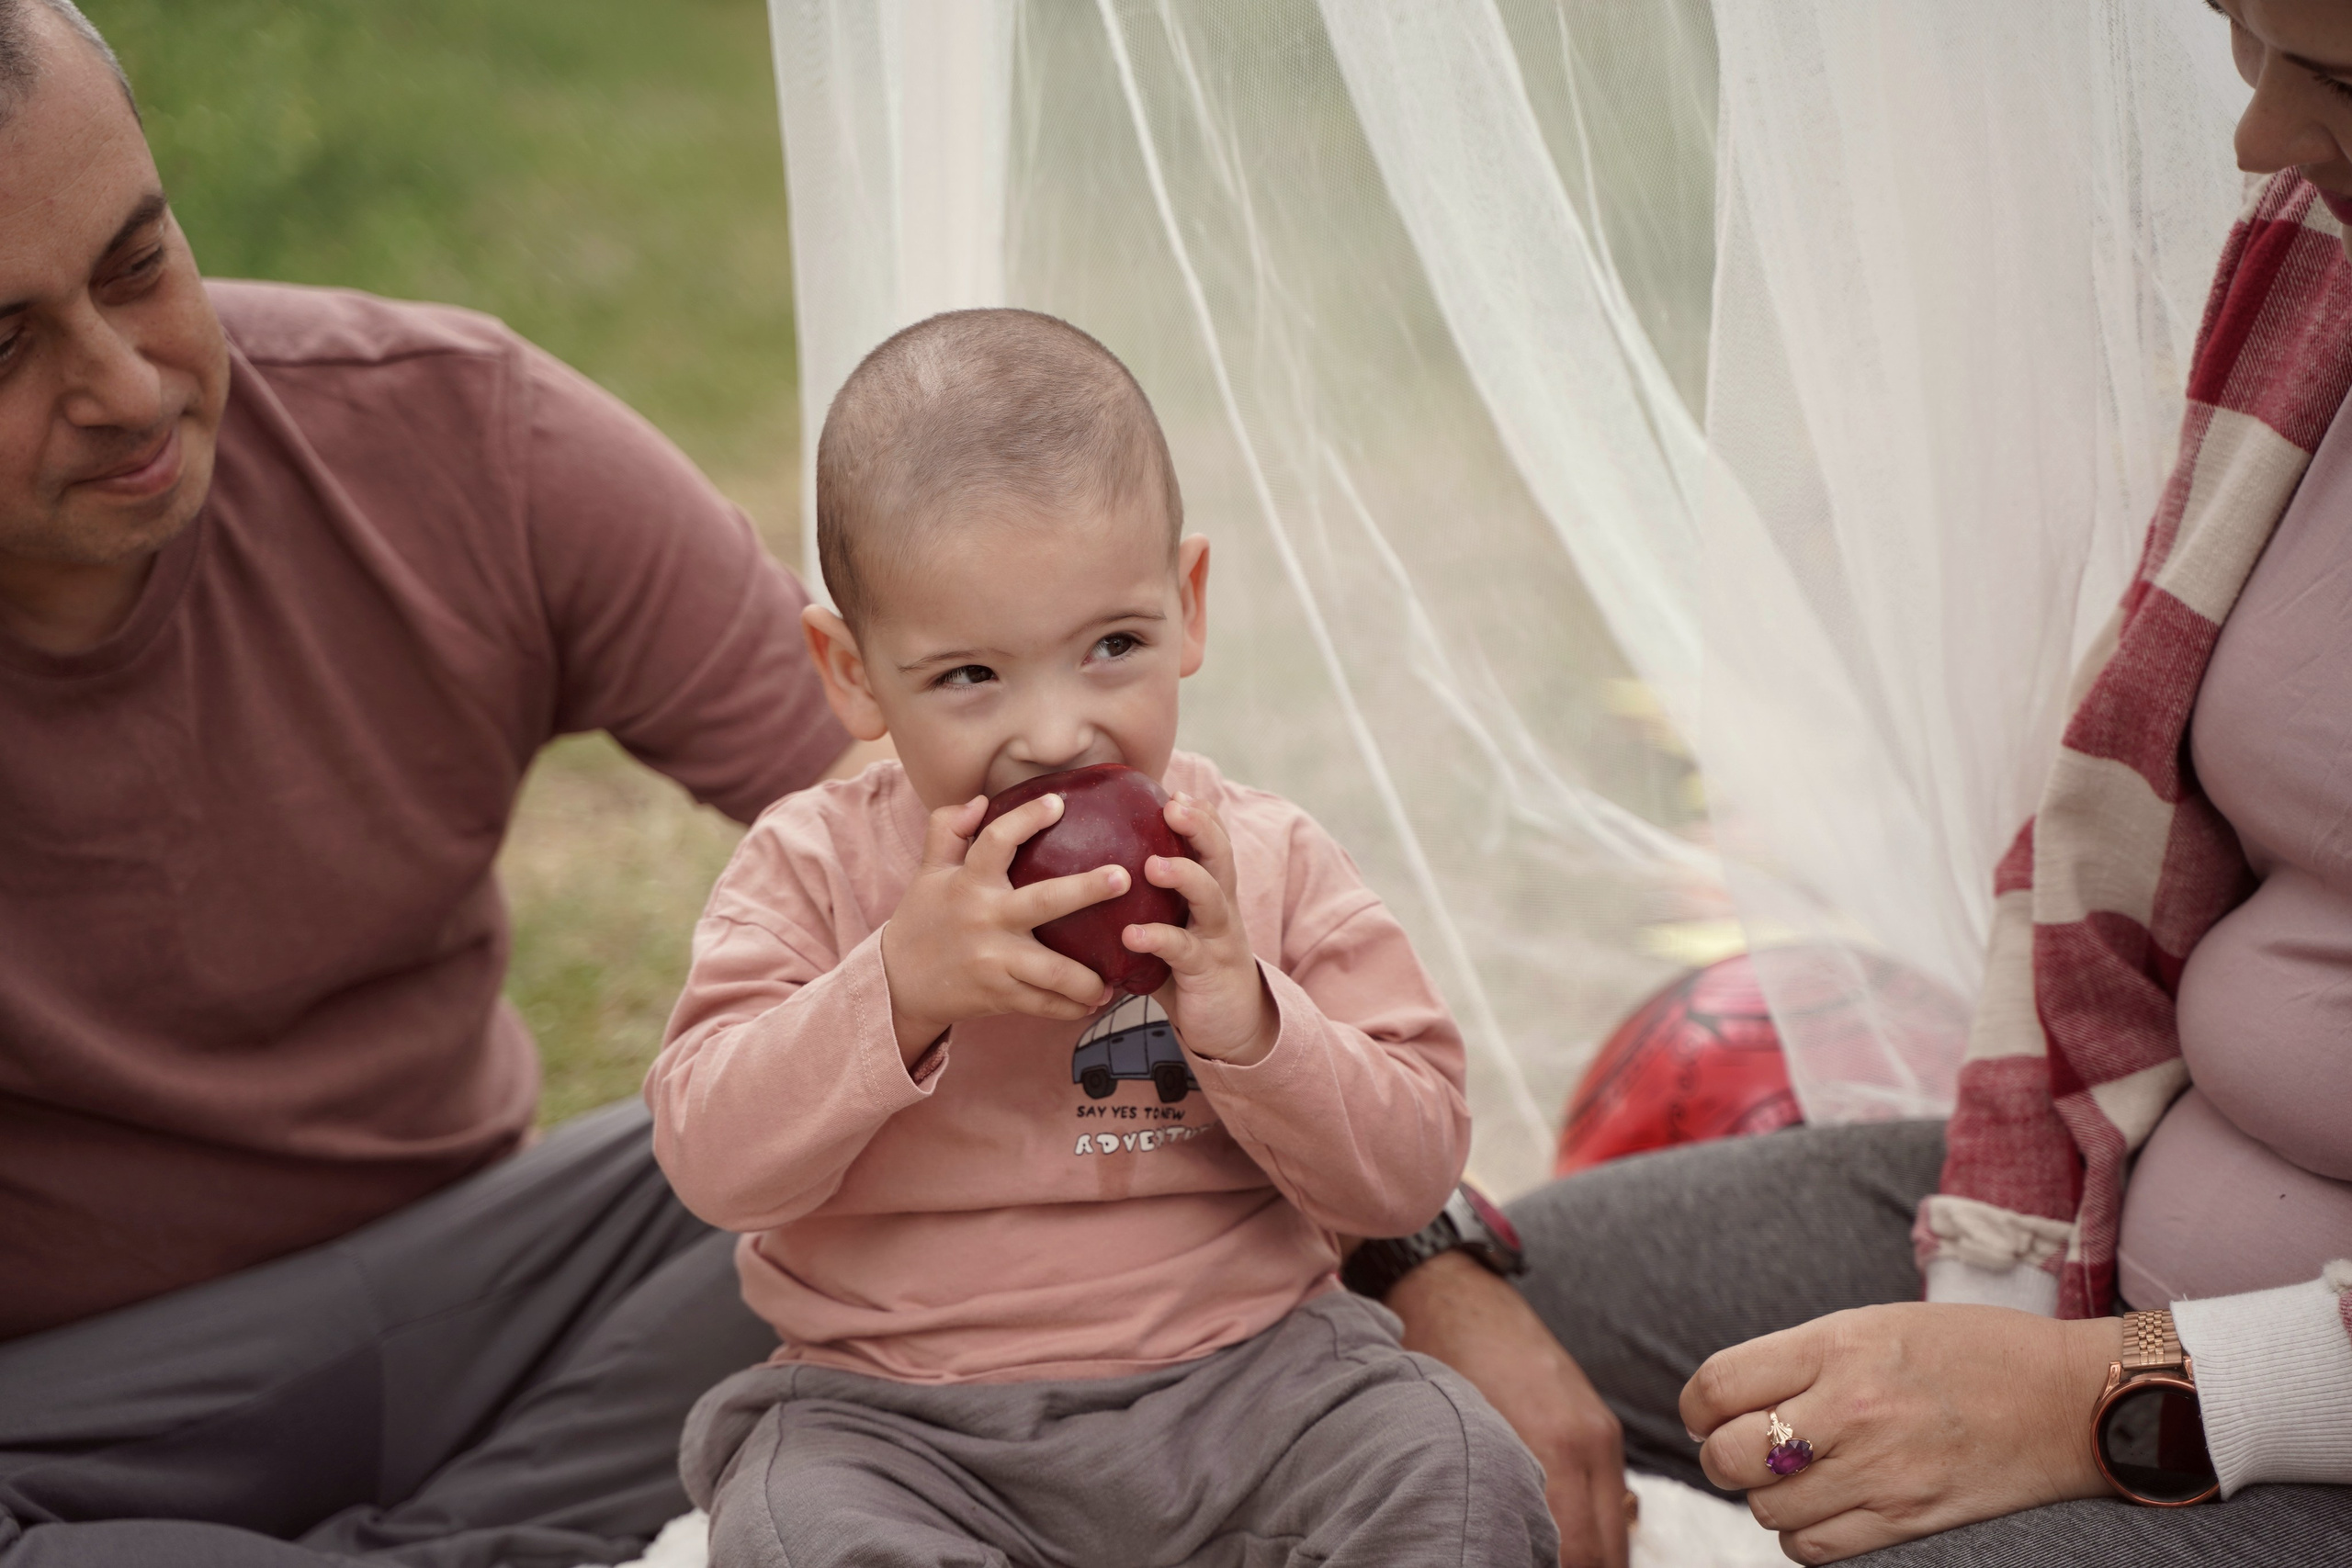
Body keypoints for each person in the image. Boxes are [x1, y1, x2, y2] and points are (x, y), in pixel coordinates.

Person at [1360, 2, 2352, 1563]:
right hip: (2100, 1218)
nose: (2259, 139)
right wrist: (1995, 1291)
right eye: (2247, 46)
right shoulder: (2319, 259)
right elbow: (2114, 837)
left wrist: (2099, 1401)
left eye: (2338, 77)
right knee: (1411, 1334)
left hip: (2266, 1402)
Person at [0, 2, 878, 1562]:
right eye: (2, 347)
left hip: (506, 1296)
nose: (127, 388)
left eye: (141, 264)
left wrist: (1412, 1242)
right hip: (65, 1414)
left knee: (881, 1119)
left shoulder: (457, 432)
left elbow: (996, 861)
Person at [649, 306, 1556, 1568]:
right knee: (800, 1528)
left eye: (1112, 648)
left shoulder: (1267, 860)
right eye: (970, 676)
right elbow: (713, 1159)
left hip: (1257, 1392)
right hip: (903, 1426)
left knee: (1453, 1470)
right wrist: (897, 989)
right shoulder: (809, 867)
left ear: (1187, 608)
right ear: (851, 671)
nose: (1057, 733)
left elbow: (1407, 1170)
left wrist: (1250, 1021)